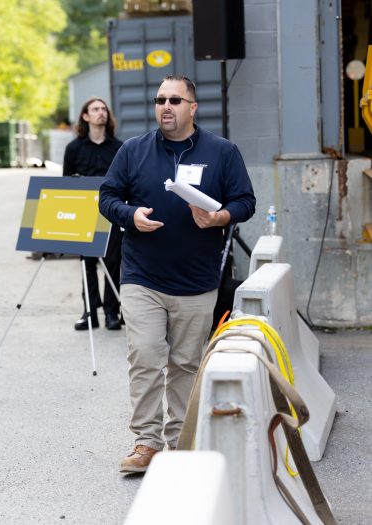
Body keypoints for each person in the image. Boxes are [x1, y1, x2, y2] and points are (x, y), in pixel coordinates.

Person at [98, 75, 256, 473]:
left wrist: (220, 216)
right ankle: (146, 442)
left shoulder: (222, 152)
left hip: (196, 280)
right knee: (146, 355)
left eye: (175, 100)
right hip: (141, 276)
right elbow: (107, 197)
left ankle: (180, 442)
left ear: (192, 107)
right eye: (159, 100)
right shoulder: (134, 151)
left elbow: (245, 201)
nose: (165, 106)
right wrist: (130, 215)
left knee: (186, 363)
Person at [63, 97, 124, 331]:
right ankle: (90, 312)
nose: (101, 113)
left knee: (112, 263)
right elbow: (65, 184)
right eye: (95, 109)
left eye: (104, 109)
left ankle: (111, 312)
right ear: (86, 117)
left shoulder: (119, 147)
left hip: (111, 213)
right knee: (86, 264)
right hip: (84, 215)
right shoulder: (73, 149)